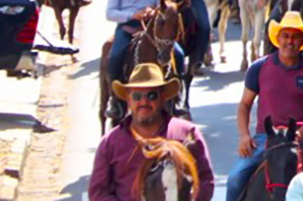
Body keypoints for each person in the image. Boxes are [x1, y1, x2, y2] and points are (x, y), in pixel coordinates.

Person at [227, 11, 303, 201]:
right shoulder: (258, 67)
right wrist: (244, 136)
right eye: (286, 36)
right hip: (266, 136)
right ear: (278, 38)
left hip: (301, 137)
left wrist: (301, 133)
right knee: (235, 179)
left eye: (296, 36)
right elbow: (244, 105)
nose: (290, 41)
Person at [89, 63, 214, 201]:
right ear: (129, 99)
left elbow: (206, 181)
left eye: (152, 95)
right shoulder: (110, 142)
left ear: (163, 97)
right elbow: (98, 192)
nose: (144, 101)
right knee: (115, 57)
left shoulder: (187, 133)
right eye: (137, 96)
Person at [105, 0, 183, 111]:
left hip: (153, 29)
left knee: (178, 54)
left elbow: (163, 9)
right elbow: (110, 13)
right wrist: (133, 15)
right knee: (115, 55)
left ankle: (177, 96)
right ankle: (115, 99)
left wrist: (152, 12)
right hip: (128, 28)